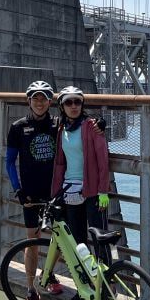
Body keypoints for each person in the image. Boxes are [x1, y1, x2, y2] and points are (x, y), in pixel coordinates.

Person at [6, 80, 105, 300]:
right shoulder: (18, 127)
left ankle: (47, 276)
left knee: (61, 238)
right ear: (28, 100)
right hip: (30, 193)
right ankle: (31, 289)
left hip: (55, 192)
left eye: (44, 98)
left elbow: (80, 122)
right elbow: (9, 162)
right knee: (32, 240)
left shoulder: (58, 125)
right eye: (35, 98)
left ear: (51, 102)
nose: (39, 102)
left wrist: (99, 122)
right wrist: (17, 189)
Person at [51, 86, 111, 249]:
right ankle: (85, 275)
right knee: (78, 242)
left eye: (77, 101)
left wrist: (103, 191)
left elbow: (103, 160)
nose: (73, 106)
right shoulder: (61, 128)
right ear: (62, 106)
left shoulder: (92, 126)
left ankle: (106, 273)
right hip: (70, 191)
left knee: (102, 239)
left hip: (93, 192)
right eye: (68, 102)